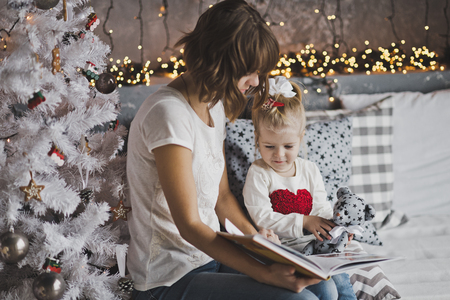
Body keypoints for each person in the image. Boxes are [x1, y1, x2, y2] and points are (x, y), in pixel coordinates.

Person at [126, 1, 336, 299]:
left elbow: (222, 198)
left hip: (212, 259)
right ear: (218, 60)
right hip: (169, 279)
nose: (256, 82)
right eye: (249, 71)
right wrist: (264, 272)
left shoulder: (215, 104)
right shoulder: (168, 115)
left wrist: (256, 237)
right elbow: (189, 226)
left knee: (323, 286)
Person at [242, 75, 357, 300]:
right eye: (269, 146)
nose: (279, 154)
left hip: (316, 246)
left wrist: (335, 228)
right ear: (257, 139)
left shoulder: (309, 169)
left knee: (341, 281)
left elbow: (322, 208)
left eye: (288, 146)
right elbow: (263, 218)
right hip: (283, 251)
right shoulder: (258, 173)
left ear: (301, 139)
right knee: (327, 291)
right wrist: (304, 221)